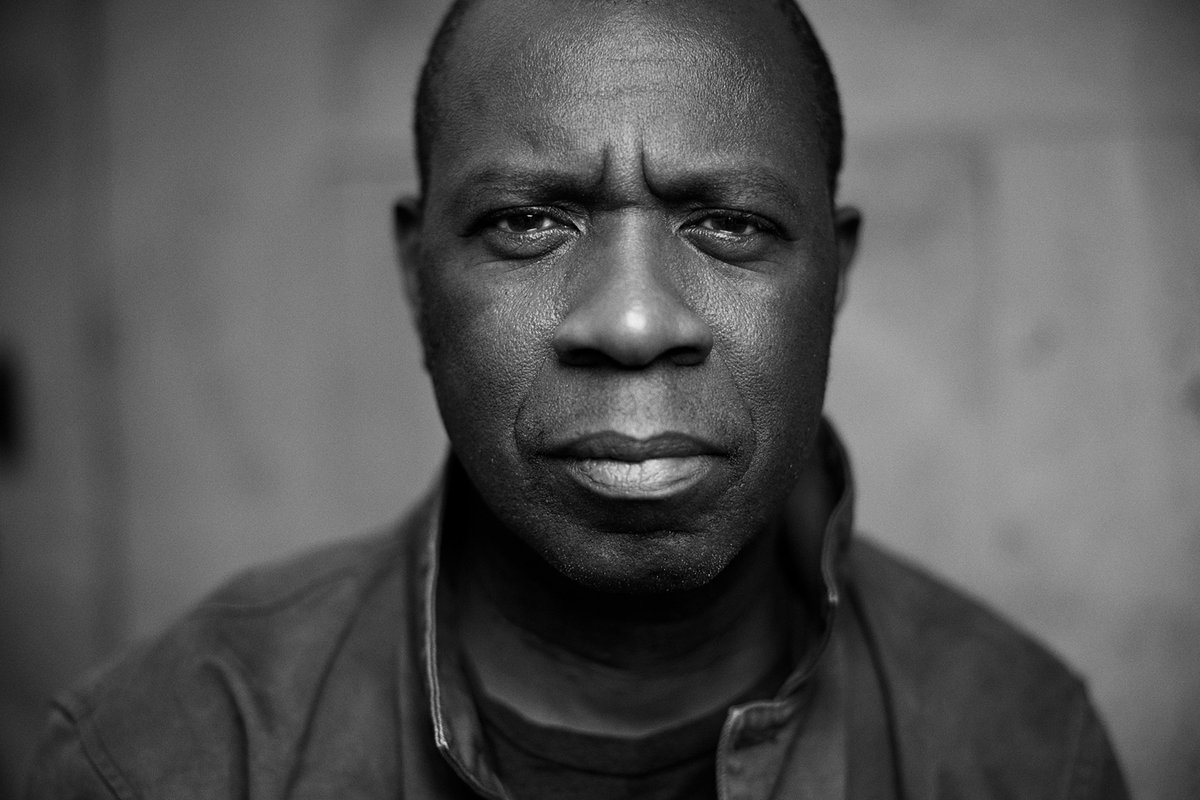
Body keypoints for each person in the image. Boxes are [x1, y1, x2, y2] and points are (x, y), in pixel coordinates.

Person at [27, 0, 1129, 797]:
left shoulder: (1022, 742)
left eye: (730, 222)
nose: (634, 322)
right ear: (418, 276)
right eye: (527, 220)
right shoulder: (169, 757)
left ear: (833, 276)